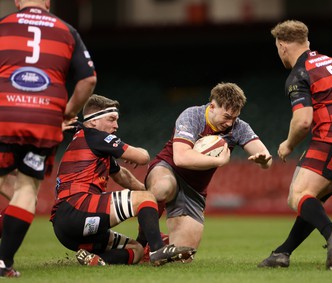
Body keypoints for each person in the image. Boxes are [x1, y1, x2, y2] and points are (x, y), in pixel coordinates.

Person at [257, 20, 332, 270]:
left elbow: (303, 121)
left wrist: (288, 145)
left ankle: (331, 232)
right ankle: (282, 253)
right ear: (307, 42)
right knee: (312, 201)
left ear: (281, 45)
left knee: (297, 196)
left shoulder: (299, 73)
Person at [0, 0, 97, 277]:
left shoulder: (3, 26)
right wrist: (68, 113)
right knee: (27, 189)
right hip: (44, 118)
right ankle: (3, 262)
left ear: (18, 1)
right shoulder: (66, 30)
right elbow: (88, 80)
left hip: (4, 111)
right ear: (48, 2)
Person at [50, 94, 196, 267]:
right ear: (94, 121)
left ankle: (98, 261)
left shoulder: (89, 142)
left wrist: (148, 195)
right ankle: (158, 250)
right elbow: (143, 157)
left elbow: (122, 176)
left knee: (137, 251)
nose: (116, 125)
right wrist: (147, 198)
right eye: (111, 119)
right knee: (145, 198)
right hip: (78, 207)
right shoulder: (95, 136)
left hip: (66, 230)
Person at [136, 82, 273, 260]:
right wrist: (219, 160)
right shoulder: (193, 116)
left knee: (183, 256)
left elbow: (265, 157)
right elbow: (181, 158)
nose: (230, 122)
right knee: (162, 187)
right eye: (226, 116)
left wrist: (264, 161)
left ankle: (155, 247)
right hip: (168, 169)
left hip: (194, 189)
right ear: (212, 106)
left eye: (235, 117)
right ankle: (144, 241)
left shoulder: (239, 127)